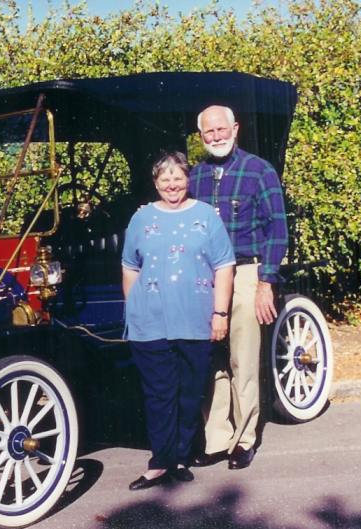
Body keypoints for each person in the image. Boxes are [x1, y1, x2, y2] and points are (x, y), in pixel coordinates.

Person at [122, 151, 235, 490]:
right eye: (164, 179)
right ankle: (159, 463)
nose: (172, 184)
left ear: (187, 179)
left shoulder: (206, 217)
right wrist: (135, 309)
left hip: (196, 321)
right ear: (155, 182)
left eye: (177, 177)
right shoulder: (140, 219)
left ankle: (181, 457)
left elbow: (224, 266)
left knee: (189, 393)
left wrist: (220, 313)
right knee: (159, 395)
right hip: (150, 324)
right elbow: (130, 267)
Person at [189, 105, 288, 470]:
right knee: (209, 360)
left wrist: (267, 282)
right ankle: (216, 439)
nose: (216, 137)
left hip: (247, 273)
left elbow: (277, 230)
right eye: (208, 132)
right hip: (206, 278)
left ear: (236, 128)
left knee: (241, 359)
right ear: (201, 137)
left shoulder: (260, 171)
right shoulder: (194, 177)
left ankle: (244, 440)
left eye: (221, 129)